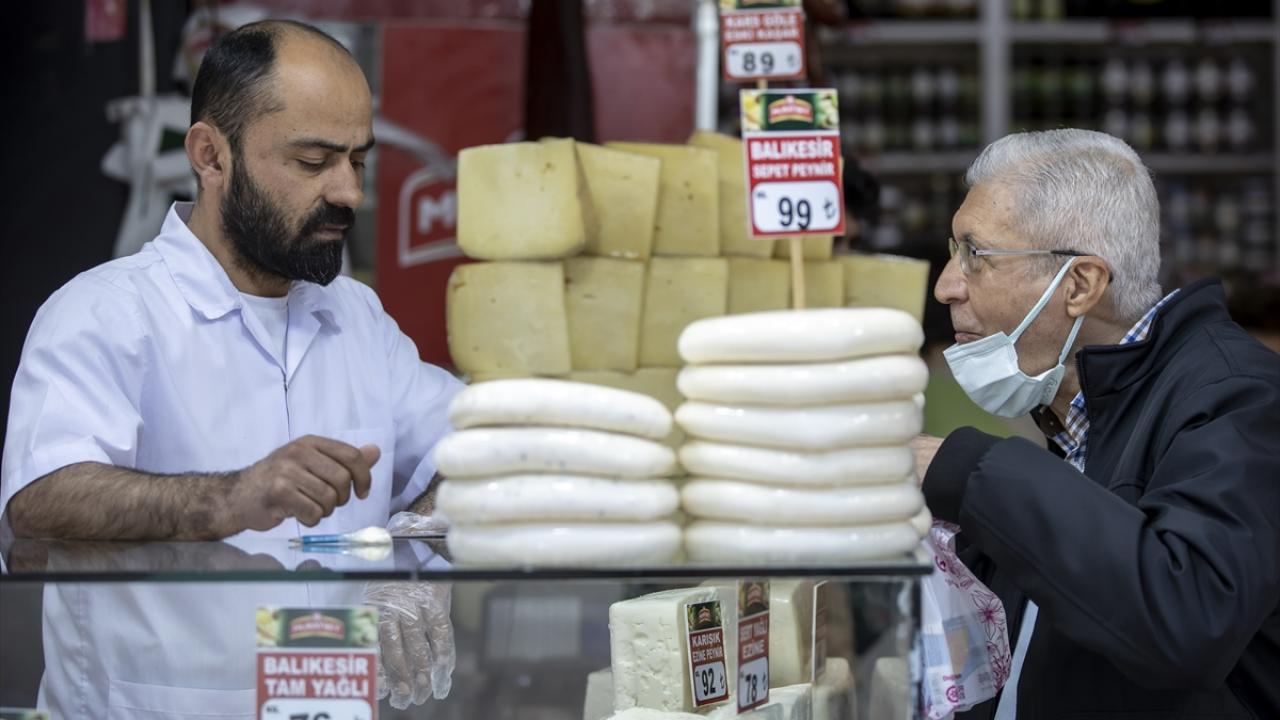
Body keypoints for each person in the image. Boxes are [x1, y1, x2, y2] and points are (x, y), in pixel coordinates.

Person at [0, 20, 460, 717]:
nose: (349, 193)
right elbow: (38, 504)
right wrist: (228, 498)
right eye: (314, 162)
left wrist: (421, 555)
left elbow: (475, 450)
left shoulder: (357, 318)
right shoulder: (105, 314)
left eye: (358, 161)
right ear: (211, 156)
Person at [914, 128, 1280, 718]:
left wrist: (963, 469)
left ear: (1080, 284)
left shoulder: (1239, 400)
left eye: (974, 255)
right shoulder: (1084, 409)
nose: (946, 285)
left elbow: (1187, 615)